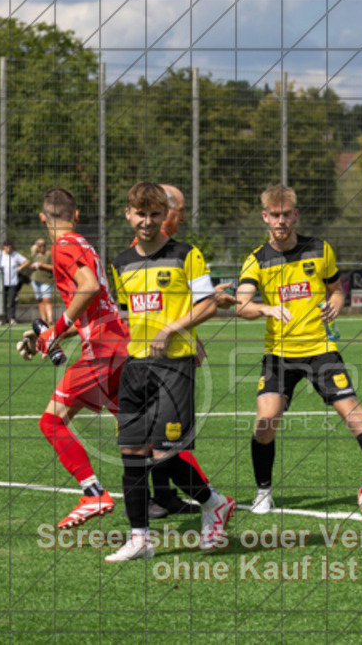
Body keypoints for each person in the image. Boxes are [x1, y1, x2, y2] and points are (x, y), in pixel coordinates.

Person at [235, 184, 362, 514]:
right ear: (265, 217)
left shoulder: (320, 250)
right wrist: (266, 309)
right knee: (265, 423)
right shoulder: (256, 260)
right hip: (279, 355)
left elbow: (336, 289)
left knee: (354, 416)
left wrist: (336, 303)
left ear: (295, 214)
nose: (281, 221)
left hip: (321, 350)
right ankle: (263, 492)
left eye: (286, 214)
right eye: (274, 215)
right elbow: (242, 304)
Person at [104, 181, 234, 561]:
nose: (147, 222)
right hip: (136, 365)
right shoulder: (121, 264)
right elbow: (130, 313)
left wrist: (174, 329)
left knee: (164, 453)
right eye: (140, 214)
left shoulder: (185, 254)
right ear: (128, 214)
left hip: (174, 365)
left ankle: (213, 503)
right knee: (131, 452)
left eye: (155, 215)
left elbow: (208, 304)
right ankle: (140, 538)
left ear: (165, 216)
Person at [15, 187, 128, 530]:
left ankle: (93, 493)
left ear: (41, 218)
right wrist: (46, 334)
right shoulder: (82, 244)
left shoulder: (62, 246)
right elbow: (89, 301)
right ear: (76, 216)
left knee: (51, 422)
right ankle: (211, 499)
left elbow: (89, 286)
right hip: (118, 341)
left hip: (102, 350)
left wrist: (56, 328)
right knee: (138, 435)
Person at [0, 240, 29, 325]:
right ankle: (2, 319)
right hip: (2, 282)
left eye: (10, 246)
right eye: (7, 246)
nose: (9, 248)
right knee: (2, 301)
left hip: (12, 282)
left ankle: (12, 318)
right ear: (4, 247)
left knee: (12, 301)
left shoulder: (15, 254)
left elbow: (26, 261)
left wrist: (20, 268)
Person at [28, 239, 55, 324]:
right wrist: (32, 266)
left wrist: (42, 265)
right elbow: (32, 267)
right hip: (35, 280)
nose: (41, 247)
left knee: (46, 299)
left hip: (46, 280)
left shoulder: (50, 254)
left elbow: (54, 267)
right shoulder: (35, 256)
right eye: (39, 245)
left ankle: (50, 319)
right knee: (40, 300)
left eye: (43, 245)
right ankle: (43, 319)